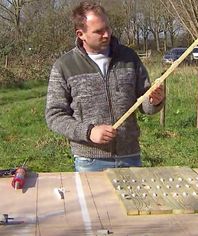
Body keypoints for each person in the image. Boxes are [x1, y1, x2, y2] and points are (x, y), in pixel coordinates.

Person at [45, 1, 165, 172]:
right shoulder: (64, 65)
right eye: (98, 31)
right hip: (90, 161)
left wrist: (154, 101)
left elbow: (145, 103)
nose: (106, 34)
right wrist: (89, 132)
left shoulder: (129, 57)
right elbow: (54, 116)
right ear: (81, 34)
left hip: (130, 156)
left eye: (107, 28)